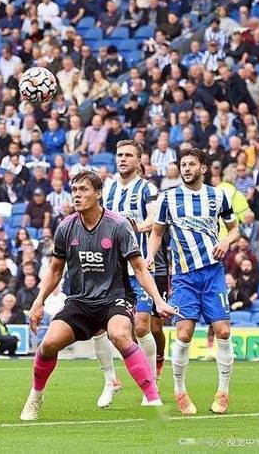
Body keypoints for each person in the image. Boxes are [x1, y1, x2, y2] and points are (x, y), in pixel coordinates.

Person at [21, 170, 176, 421]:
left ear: (99, 194)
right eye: (74, 190)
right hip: (80, 301)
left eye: (83, 190)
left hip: (115, 298)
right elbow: (55, 270)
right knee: (48, 344)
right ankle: (35, 397)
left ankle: (152, 398)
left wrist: (158, 300)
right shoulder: (66, 227)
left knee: (120, 334)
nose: (77, 195)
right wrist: (39, 302)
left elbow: (139, 268)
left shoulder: (118, 225)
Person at [146, 148, 239, 415]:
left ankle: (223, 392)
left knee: (223, 331)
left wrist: (225, 241)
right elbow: (157, 233)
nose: (186, 169)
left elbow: (234, 229)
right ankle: (180, 391)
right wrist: (150, 256)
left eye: (191, 164)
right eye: (183, 165)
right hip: (184, 276)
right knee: (184, 334)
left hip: (213, 273)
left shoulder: (218, 196)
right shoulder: (168, 198)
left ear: (203, 168)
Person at [96, 140, 167, 407]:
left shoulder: (148, 189)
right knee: (101, 329)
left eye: (128, 155)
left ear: (138, 161)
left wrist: (132, 227)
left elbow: (154, 221)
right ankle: (111, 381)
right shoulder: (107, 188)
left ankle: (150, 384)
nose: (123, 159)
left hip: (140, 267)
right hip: (110, 270)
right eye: (119, 154)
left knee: (142, 326)